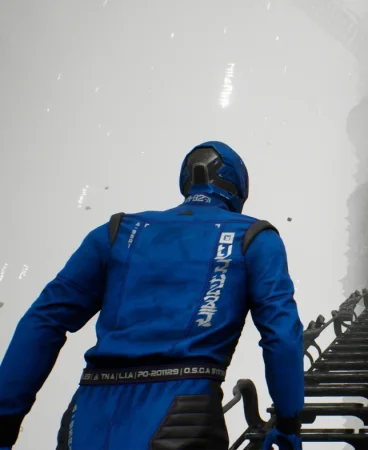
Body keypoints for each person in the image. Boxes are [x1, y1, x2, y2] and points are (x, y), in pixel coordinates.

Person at [0, 141, 304, 450]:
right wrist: (289, 423)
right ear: (238, 189)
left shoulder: (117, 232)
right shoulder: (252, 237)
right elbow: (281, 335)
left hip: (87, 417)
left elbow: (44, 320)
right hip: (183, 415)